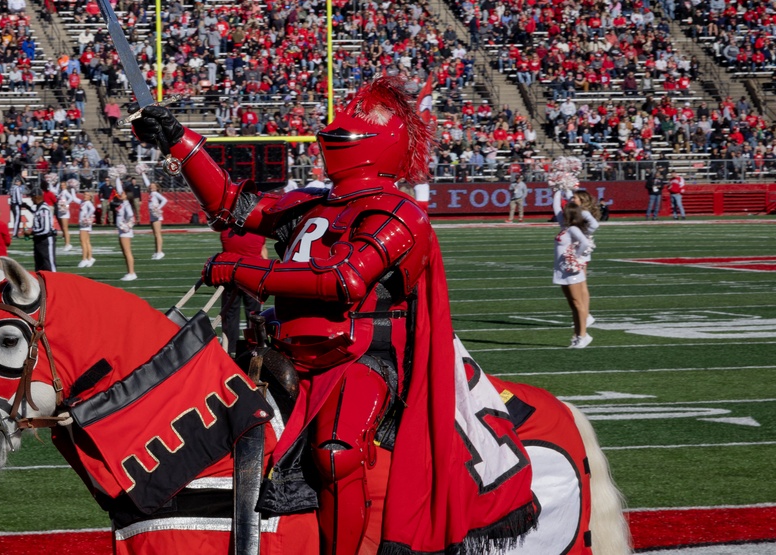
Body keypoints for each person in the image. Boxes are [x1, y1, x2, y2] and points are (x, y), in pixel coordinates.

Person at [132, 76, 537, 555]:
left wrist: (247, 269)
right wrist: (180, 142)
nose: (332, 134)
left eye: (347, 129)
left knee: (335, 452)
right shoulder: (312, 202)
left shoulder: (400, 213)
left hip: (360, 358)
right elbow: (232, 206)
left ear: (374, 144)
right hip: (282, 349)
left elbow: (344, 280)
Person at [553, 188, 599, 348]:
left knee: (577, 303)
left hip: (572, 269)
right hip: (562, 270)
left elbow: (586, 243)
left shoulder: (574, 229)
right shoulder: (564, 226)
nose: (562, 211)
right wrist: (559, 189)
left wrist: (576, 257)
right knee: (573, 303)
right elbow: (556, 208)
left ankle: (583, 335)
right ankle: (577, 335)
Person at [218, 228, 267, 356]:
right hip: (253, 274)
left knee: (230, 314)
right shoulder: (257, 233)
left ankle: (229, 348)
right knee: (254, 315)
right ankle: (255, 346)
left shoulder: (226, 232)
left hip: (230, 274)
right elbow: (263, 253)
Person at [24, 189, 57, 271]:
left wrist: (31, 232)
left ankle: (54, 283)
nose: (31, 199)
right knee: (39, 267)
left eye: (32, 197)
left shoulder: (43, 209)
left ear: (36, 197)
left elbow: (45, 229)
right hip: (39, 241)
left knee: (49, 265)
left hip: (45, 240)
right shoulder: (39, 208)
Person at [115, 189, 137, 281]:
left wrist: (125, 224)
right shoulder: (124, 203)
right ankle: (130, 272)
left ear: (127, 195)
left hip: (125, 231)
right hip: (122, 231)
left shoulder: (127, 204)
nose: (121, 194)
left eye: (123, 193)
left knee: (127, 252)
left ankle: (131, 273)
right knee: (125, 252)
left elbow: (131, 214)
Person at [148, 182, 167, 260]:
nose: (151, 187)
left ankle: (159, 252)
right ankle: (157, 252)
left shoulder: (155, 193)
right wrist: (142, 173)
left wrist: (158, 208)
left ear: (156, 188)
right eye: (150, 186)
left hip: (156, 216)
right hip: (152, 215)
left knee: (157, 234)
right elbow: (147, 183)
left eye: (153, 186)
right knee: (155, 235)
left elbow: (164, 200)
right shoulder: (151, 194)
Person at [77, 191, 97, 268]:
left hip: (84, 224)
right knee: (87, 241)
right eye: (84, 194)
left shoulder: (88, 203)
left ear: (90, 197)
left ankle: (84, 259)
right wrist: (72, 189)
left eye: (87, 195)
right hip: (85, 224)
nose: (85, 195)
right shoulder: (83, 202)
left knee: (83, 241)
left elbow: (92, 209)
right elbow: (74, 199)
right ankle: (90, 257)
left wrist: (87, 217)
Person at [57, 183, 79, 251]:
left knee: (65, 228)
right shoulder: (61, 192)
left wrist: (66, 205)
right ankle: (66, 243)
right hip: (60, 211)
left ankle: (68, 244)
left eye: (63, 185)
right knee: (63, 228)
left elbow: (71, 198)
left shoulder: (66, 192)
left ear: (66, 186)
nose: (62, 186)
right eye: (61, 185)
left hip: (64, 212)